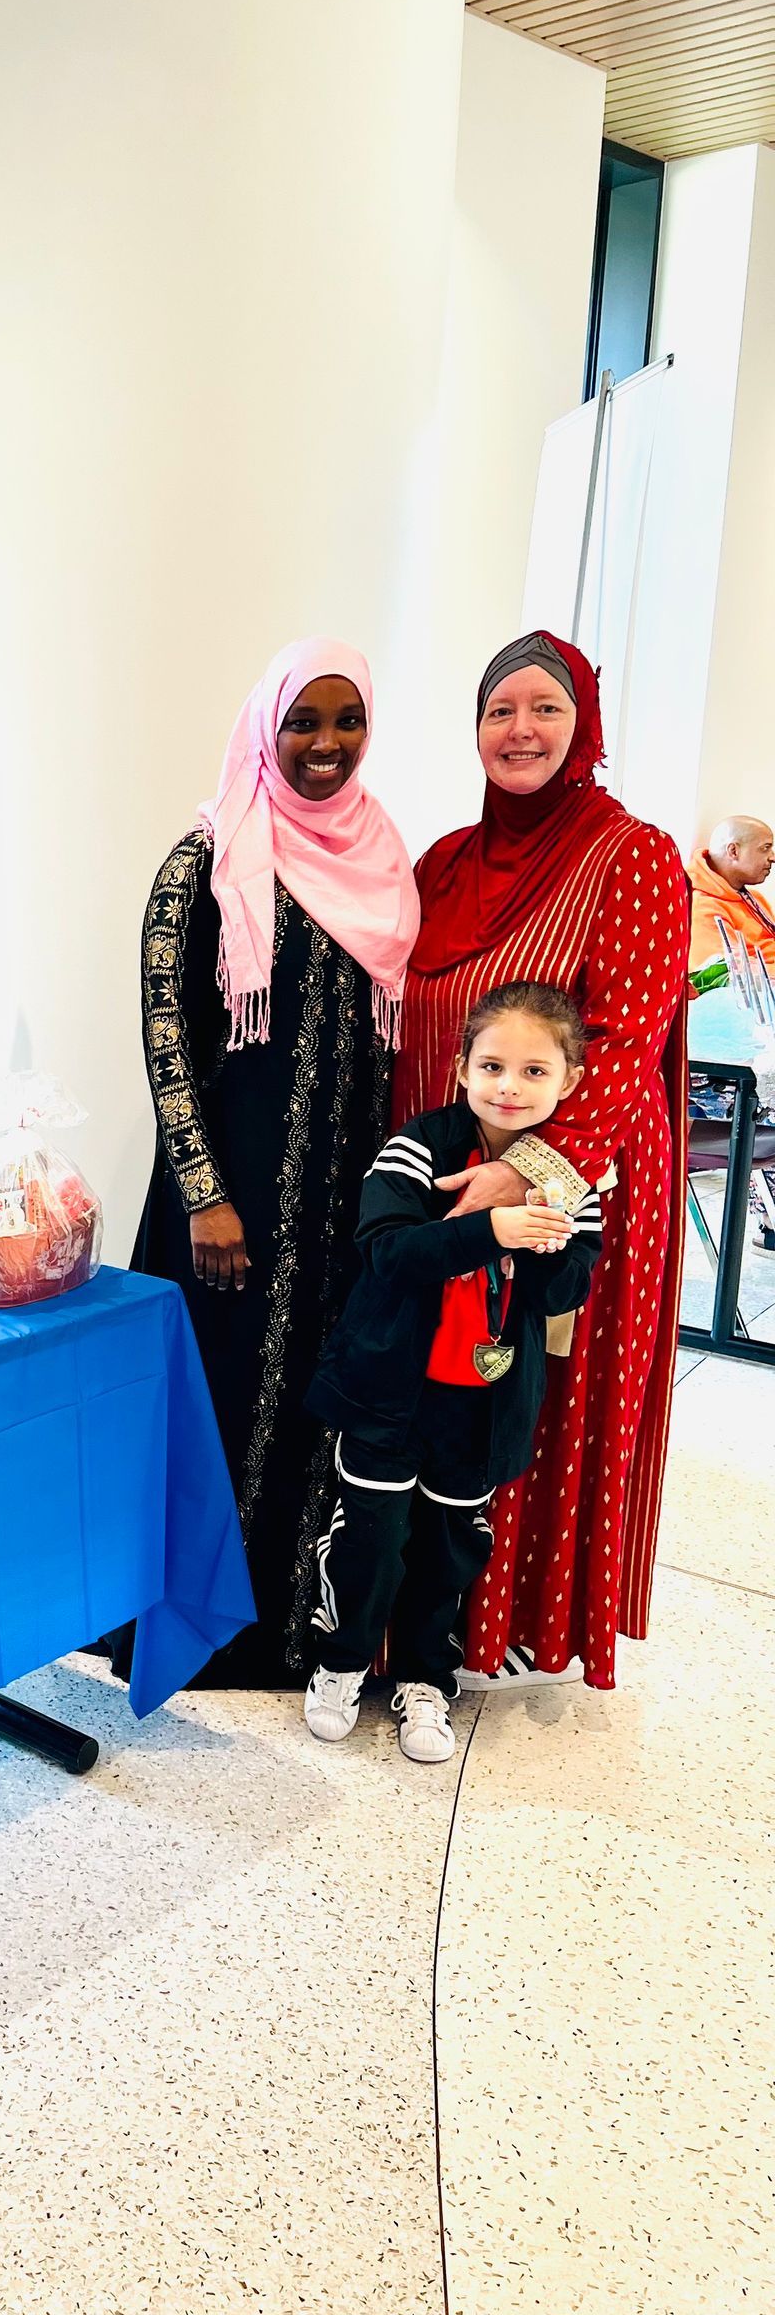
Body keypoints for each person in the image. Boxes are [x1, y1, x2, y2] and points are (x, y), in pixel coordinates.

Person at [396, 632, 688, 1692]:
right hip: (445, 1181)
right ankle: (401, 1620)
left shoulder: (631, 855)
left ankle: (503, 1625)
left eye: (546, 708)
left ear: (584, 727)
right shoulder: (443, 863)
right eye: (499, 710)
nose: (520, 731)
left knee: (527, 1394)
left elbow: (625, 1041)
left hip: (570, 1185)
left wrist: (523, 1178)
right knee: (429, 1391)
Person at [132, 638, 420, 1685]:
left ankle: (292, 1632)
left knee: (307, 1403)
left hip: (339, 1201)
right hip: (232, 1204)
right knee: (216, 1405)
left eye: (347, 720)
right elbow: (166, 1034)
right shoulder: (206, 858)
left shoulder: (383, 857)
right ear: (267, 726)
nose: (326, 743)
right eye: (304, 720)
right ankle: (187, 1629)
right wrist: (204, 1195)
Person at [303, 985, 602, 1762]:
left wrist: (545, 1243)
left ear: (569, 1080)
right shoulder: (417, 1147)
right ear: (462, 1066)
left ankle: (426, 1678)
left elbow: (566, 1292)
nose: (509, 1087)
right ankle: (339, 1663)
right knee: (370, 1538)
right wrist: (493, 1228)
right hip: (388, 1391)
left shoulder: (570, 1178)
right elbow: (387, 1252)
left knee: (450, 1549)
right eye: (492, 1065)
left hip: (485, 1405)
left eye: (534, 1071)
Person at [689, 815, 775, 970]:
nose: (772, 857)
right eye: (765, 848)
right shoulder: (702, 906)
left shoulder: (755, 898)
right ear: (733, 851)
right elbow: (725, 973)